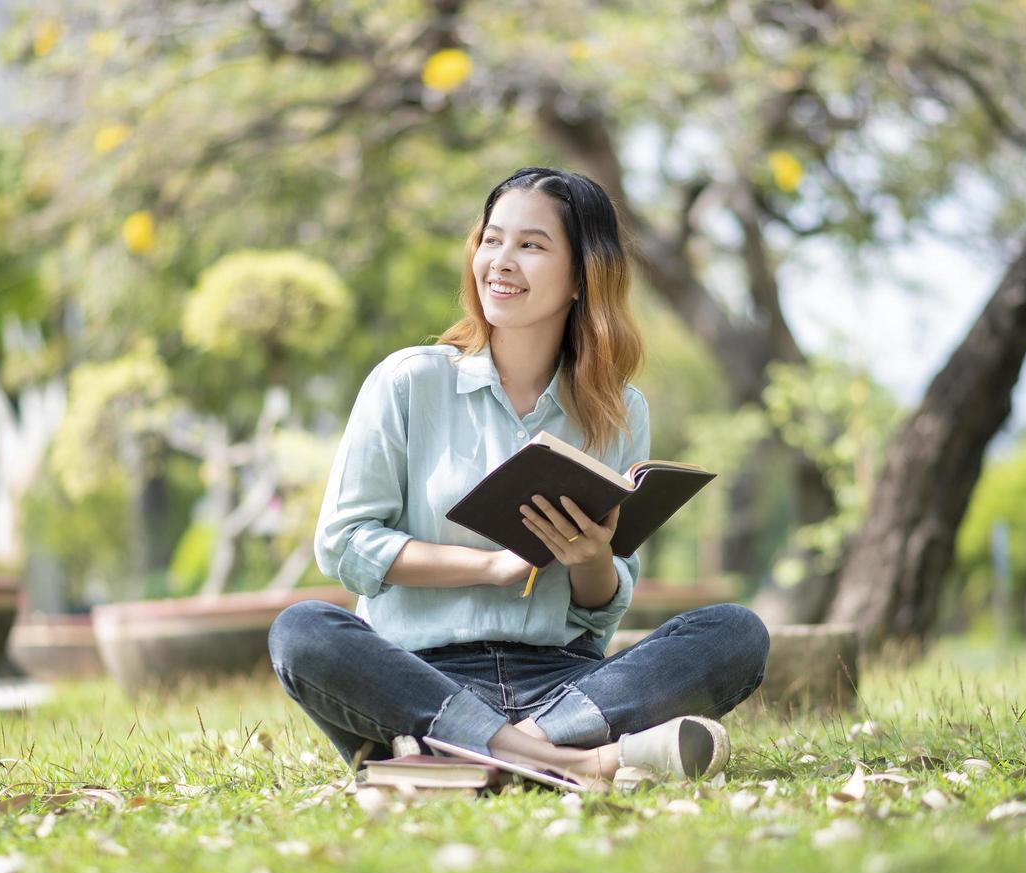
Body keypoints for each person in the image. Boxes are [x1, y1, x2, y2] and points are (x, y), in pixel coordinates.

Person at [268, 166, 769, 791]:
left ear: (584, 276)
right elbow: (343, 544)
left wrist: (592, 560)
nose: (500, 262)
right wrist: (491, 567)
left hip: (565, 686)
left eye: (531, 245)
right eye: (491, 239)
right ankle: (578, 762)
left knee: (734, 632)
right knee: (303, 631)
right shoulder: (409, 382)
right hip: (419, 680)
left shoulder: (619, 410)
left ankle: (472, 761)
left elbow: (597, 615)